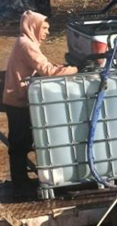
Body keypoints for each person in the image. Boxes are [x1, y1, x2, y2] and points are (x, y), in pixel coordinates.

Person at [4, 11, 77, 194]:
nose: (47, 32)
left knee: (24, 141)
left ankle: (22, 182)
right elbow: (47, 70)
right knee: (20, 144)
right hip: (18, 101)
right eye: (44, 28)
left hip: (18, 99)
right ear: (33, 26)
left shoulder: (26, 42)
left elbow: (43, 66)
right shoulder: (26, 44)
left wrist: (62, 68)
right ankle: (20, 185)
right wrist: (76, 69)